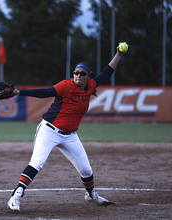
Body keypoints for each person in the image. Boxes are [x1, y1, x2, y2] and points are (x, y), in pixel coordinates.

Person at [7, 43, 127, 212]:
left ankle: (92, 195)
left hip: (70, 135)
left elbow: (106, 73)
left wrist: (119, 55)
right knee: (37, 162)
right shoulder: (66, 85)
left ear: (88, 77)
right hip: (49, 130)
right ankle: (16, 195)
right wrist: (19, 92)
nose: (78, 75)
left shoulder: (91, 85)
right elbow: (45, 92)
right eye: (76, 72)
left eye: (82, 73)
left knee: (86, 169)